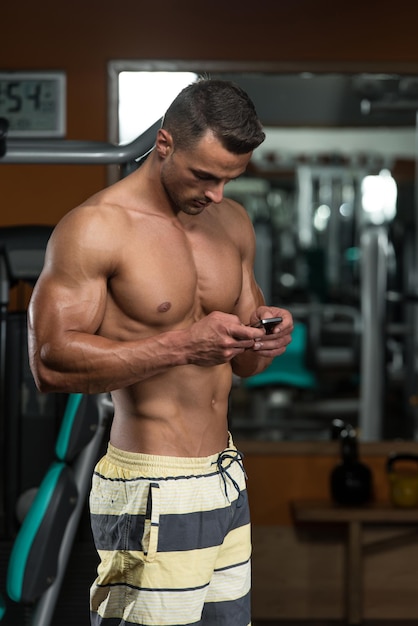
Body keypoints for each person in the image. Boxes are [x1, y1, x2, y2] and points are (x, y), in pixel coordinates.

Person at [28, 78, 293, 626]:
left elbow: (244, 363)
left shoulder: (233, 223)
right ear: (165, 144)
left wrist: (267, 337)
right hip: (152, 485)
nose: (216, 193)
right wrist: (178, 345)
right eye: (205, 175)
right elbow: (49, 363)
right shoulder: (96, 228)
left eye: (229, 179)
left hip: (225, 477)